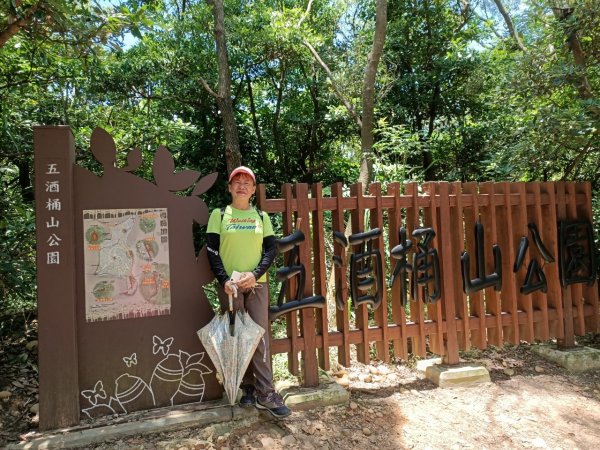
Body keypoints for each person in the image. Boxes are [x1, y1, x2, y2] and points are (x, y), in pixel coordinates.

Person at [206, 166, 292, 418]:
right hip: (230, 286)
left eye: (247, 182)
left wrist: (254, 274)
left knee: (258, 336)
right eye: (237, 181)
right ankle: (246, 388)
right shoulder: (219, 215)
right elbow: (212, 251)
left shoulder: (261, 217)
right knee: (236, 336)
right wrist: (224, 280)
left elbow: (270, 251)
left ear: (254, 190)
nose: (242, 185)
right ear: (230, 187)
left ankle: (266, 393)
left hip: (257, 284)